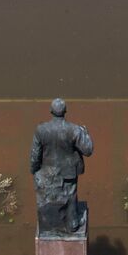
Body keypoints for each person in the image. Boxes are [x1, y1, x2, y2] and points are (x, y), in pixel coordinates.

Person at [29, 98, 93, 236]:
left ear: (51, 111)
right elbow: (88, 150)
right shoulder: (74, 129)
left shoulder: (41, 130)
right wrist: (85, 133)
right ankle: (72, 224)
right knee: (70, 194)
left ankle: (49, 225)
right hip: (68, 170)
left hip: (47, 171)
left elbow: (35, 154)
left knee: (49, 197)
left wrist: (33, 169)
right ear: (65, 111)